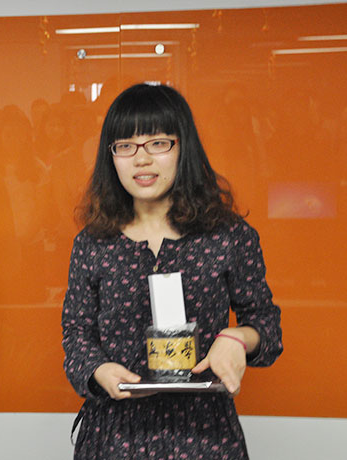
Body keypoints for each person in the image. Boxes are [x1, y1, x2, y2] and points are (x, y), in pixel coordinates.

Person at [61, 83, 283, 459]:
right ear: (111, 156)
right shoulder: (93, 243)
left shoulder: (227, 235)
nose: (141, 159)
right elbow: (76, 335)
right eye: (126, 146)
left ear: (183, 148)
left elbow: (267, 326)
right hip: (114, 436)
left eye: (158, 143)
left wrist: (237, 339)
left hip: (205, 436)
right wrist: (97, 370)